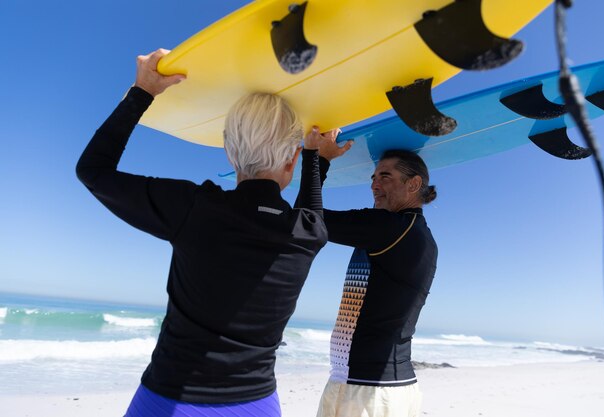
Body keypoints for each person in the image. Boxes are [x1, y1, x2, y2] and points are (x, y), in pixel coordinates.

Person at [76, 48, 328, 417]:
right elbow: (310, 206)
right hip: (257, 405)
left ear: (229, 151)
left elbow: (93, 171)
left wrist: (142, 91)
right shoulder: (309, 233)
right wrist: (313, 157)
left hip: (172, 400)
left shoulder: (196, 208)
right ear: (289, 160)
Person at [311, 137, 438, 417]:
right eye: (373, 177)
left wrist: (319, 158)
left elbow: (307, 218)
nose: (374, 184)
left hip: (368, 390)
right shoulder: (416, 233)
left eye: (385, 176)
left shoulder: (393, 228)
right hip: (382, 386)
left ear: (414, 184)